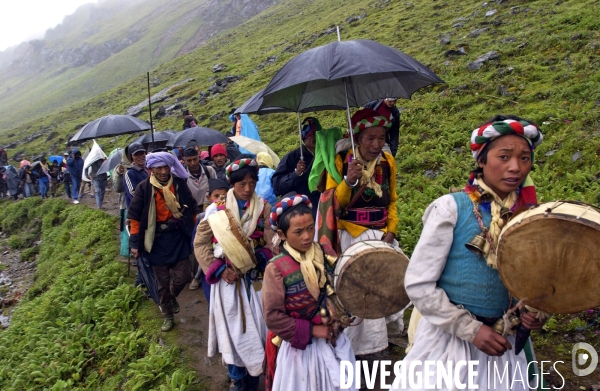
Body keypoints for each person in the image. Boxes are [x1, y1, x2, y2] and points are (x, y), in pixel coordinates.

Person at [391, 115, 547, 391]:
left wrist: (535, 312)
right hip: (449, 345)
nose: (515, 167)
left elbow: (539, 281)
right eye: (504, 156)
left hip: (504, 347)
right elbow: (418, 284)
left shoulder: (531, 217)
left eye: (524, 158)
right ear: (482, 160)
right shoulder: (451, 209)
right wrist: (471, 330)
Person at [318, 108, 399, 356]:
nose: (376, 144)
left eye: (381, 138)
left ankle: (378, 346)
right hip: (350, 238)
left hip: (381, 237)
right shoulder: (342, 161)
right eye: (370, 138)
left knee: (381, 293)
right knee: (354, 295)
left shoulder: (387, 162)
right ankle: (351, 349)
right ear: (358, 138)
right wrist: (349, 181)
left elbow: (392, 200)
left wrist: (391, 231)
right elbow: (332, 203)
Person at [194, 158, 275, 391]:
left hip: (256, 280)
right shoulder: (218, 210)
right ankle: (237, 378)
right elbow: (200, 243)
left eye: (252, 183)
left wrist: (265, 253)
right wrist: (218, 269)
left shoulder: (264, 208)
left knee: (259, 329)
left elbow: (271, 238)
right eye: (242, 184)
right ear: (232, 184)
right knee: (233, 331)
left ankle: (255, 374)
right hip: (229, 283)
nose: (248, 189)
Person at [262, 194, 356, 391]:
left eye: (310, 228)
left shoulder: (324, 252)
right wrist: (313, 331)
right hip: (301, 352)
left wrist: (338, 318)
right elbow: (273, 317)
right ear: (282, 233)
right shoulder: (276, 268)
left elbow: (341, 287)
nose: (306, 236)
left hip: (334, 337)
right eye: (298, 231)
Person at [128, 152, 198, 332]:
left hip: (177, 236)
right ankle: (167, 315)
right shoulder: (144, 188)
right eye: (158, 168)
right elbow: (135, 218)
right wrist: (135, 244)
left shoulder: (179, 184)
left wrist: (195, 230)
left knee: (184, 275)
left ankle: (172, 296)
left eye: (166, 167)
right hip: (155, 240)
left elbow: (191, 206)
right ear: (150, 169)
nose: (163, 171)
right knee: (162, 282)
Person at [272, 117, 321, 217]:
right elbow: (277, 186)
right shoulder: (292, 157)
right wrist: (296, 173)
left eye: (317, 133)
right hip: (301, 209)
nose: (314, 137)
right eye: (311, 134)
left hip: (323, 203)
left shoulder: (325, 155)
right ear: (304, 137)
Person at [189, 178, 229, 296]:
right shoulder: (204, 218)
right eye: (216, 196)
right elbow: (196, 243)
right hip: (211, 259)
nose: (220, 200)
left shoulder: (232, 213)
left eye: (224, 196)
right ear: (209, 198)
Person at [183, 147, 216, 214]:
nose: (193, 163)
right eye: (189, 160)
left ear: (199, 158)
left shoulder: (209, 170)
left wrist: (220, 208)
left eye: (195, 159)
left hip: (210, 209)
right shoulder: (183, 176)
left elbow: (218, 190)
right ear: (185, 161)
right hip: (193, 211)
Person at [113, 147, 132, 257]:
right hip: (126, 203)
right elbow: (118, 188)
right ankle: (128, 252)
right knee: (127, 229)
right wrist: (120, 175)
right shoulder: (120, 168)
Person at [124, 143, 149, 208]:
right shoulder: (130, 173)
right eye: (136, 155)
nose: (140, 156)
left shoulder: (149, 169)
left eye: (142, 153)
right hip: (139, 210)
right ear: (131, 157)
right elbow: (133, 193)